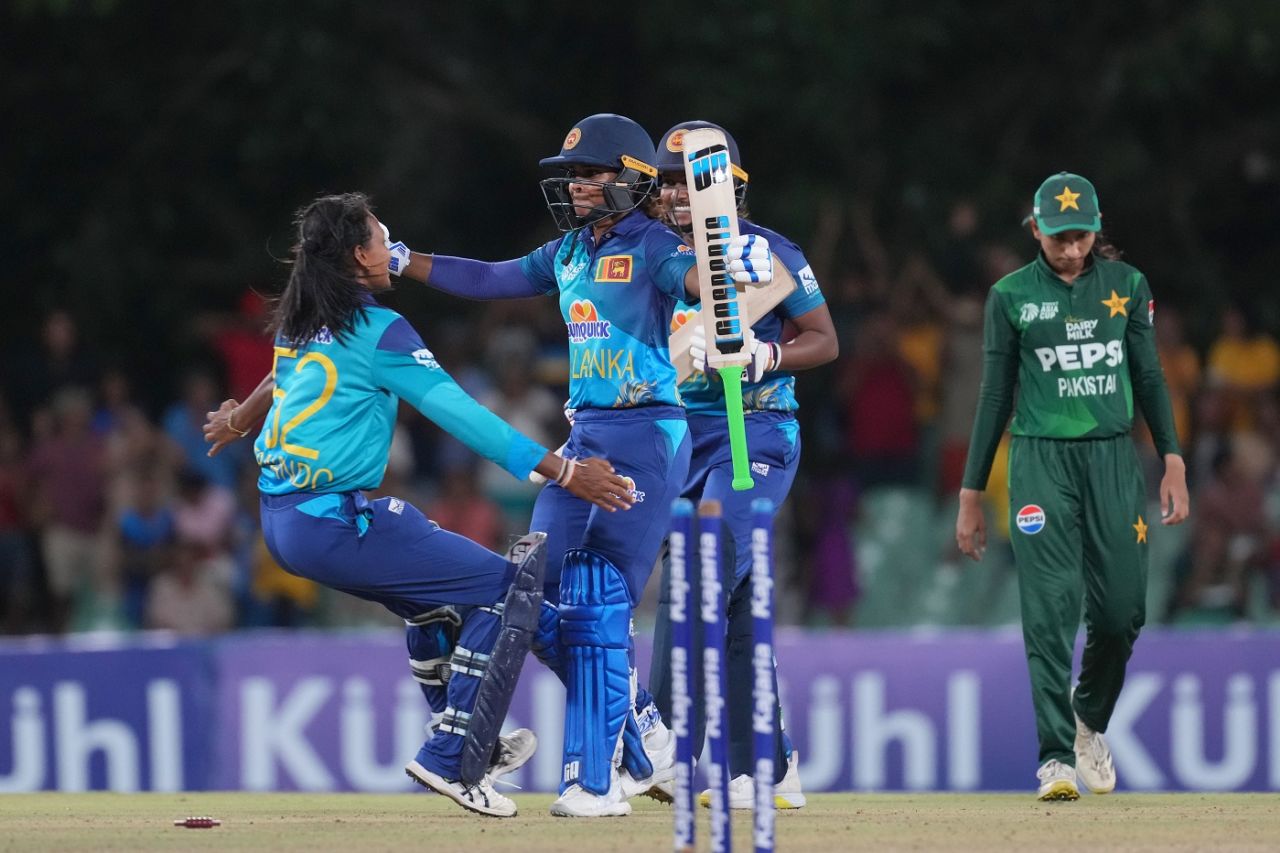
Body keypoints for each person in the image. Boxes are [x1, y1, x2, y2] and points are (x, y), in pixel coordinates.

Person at [382, 113, 774, 817]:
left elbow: (689, 279)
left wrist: (727, 273)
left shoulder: (653, 243)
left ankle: (597, 776)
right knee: (526, 590)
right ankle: (646, 730)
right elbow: (489, 278)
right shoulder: (567, 252)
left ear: (628, 180)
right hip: (586, 435)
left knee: (601, 599)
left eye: (588, 175)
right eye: (570, 177)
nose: (575, 188)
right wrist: (406, 260)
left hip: (649, 436)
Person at [206, 191, 635, 817]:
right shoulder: (380, 330)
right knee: (507, 588)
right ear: (358, 255)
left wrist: (241, 418)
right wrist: (566, 471)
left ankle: (479, 745)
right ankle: (453, 756)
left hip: (285, 521)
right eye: (383, 239)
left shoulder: (306, 318)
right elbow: (465, 418)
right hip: (332, 520)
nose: (393, 249)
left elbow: (281, 373)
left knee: (435, 606)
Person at [954, 172, 1190, 800]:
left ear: (1097, 227)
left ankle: (1089, 719)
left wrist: (1172, 459)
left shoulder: (1128, 286)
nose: (1071, 248)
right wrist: (971, 492)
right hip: (1039, 463)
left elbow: (1149, 376)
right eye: (1059, 237)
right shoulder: (1009, 296)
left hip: (1114, 460)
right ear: (1036, 229)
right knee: (1051, 608)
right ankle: (1055, 758)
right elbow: (994, 395)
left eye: (1081, 235)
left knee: (1120, 613)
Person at [643, 121, 838, 811]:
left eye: (688, 180)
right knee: (727, 599)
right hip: (675, 439)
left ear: (729, 187)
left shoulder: (768, 254)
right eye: (664, 181)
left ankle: (668, 743)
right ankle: (769, 760)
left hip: (755, 430)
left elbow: (825, 338)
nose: (674, 195)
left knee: (706, 561)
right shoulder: (651, 257)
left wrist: (768, 355)